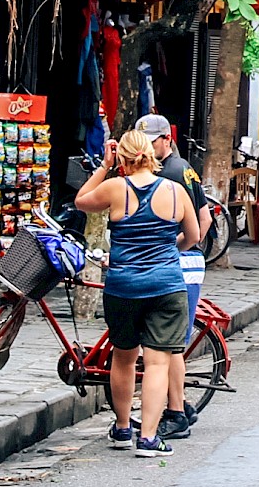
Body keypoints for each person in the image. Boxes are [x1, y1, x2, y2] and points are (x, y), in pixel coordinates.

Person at [76, 129, 205, 453]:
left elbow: (81, 201)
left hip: (123, 287)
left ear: (122, 158)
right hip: (165, 287)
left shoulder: (115, 187)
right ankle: (148, 436)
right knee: (158, 362)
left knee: (123, 359)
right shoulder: (176, 192)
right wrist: (166, 249)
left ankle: (122, 428)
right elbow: (192, 236)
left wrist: (104, 167)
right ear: (150, 153)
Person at [139, 113, 204, 442]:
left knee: (169, 344)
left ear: (166, 138)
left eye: (152, 142)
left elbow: (197, 226)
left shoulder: (171, 172)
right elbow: (204, 215)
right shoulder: (184, 168)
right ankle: (179, 406)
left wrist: (172, 247)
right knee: (170, 343)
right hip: (185, 259)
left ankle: (176, 411)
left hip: (178, 260)